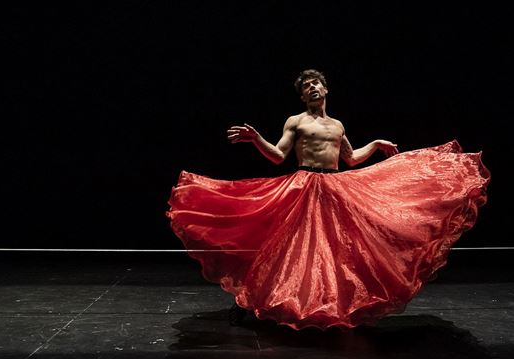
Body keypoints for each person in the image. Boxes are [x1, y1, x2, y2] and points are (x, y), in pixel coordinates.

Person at [167, 69, 490, 331]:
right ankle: (252, 302)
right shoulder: (296, 121)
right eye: (306, 86)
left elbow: (350, 158)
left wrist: (375, 144)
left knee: (337, 251)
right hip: (304, 185)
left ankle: (334, 303)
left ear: (325, 89)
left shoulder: (337, 125)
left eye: (316, 83)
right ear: (303, 94)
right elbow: (279, 156)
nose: (312, 88)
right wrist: (257, 139)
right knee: (288, 250)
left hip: (334, 187)